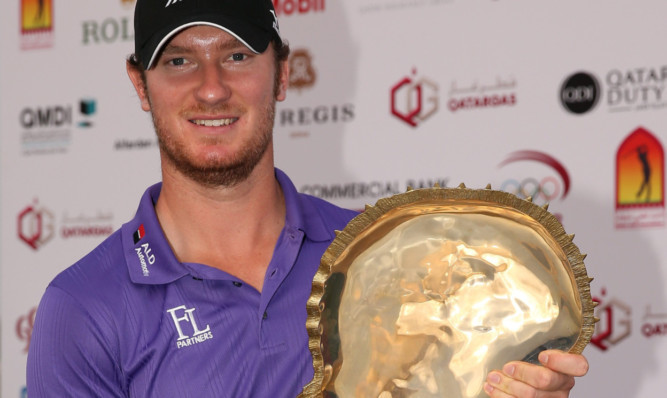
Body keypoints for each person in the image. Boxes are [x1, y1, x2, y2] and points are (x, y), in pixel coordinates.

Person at [26, 0, 589, 397]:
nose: (212, 85)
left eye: (238, 55)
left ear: (283, 74)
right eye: (178, 60)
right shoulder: (83, 308)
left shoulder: (379, 257)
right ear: (138, 84)